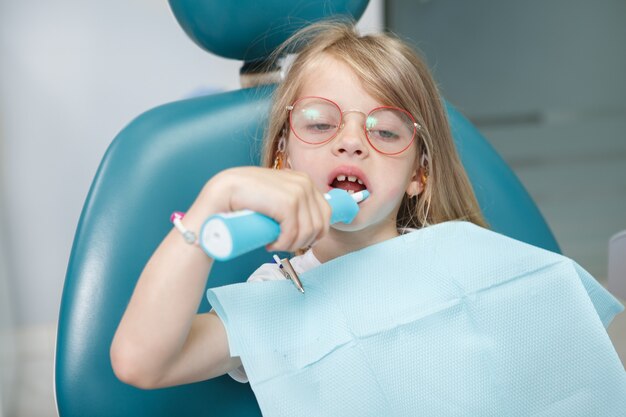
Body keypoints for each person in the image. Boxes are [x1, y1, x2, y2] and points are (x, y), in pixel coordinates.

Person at [110, 19, 487, 389]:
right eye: (320, 124)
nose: (352, 142)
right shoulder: (278, 297)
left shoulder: (455, 262)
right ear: (283, 161)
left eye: (385, 131)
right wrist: (215, 198)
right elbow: (141, 364)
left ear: (418, 175)